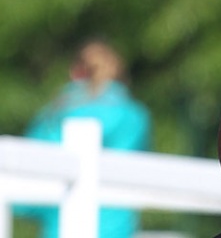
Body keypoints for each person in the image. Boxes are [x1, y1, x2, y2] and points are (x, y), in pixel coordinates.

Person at [14, 39, 152, 238]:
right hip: (120, 230)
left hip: (61, 228)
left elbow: (28, 175)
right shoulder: (137, 117)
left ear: (76, 72)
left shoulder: (60, 112)